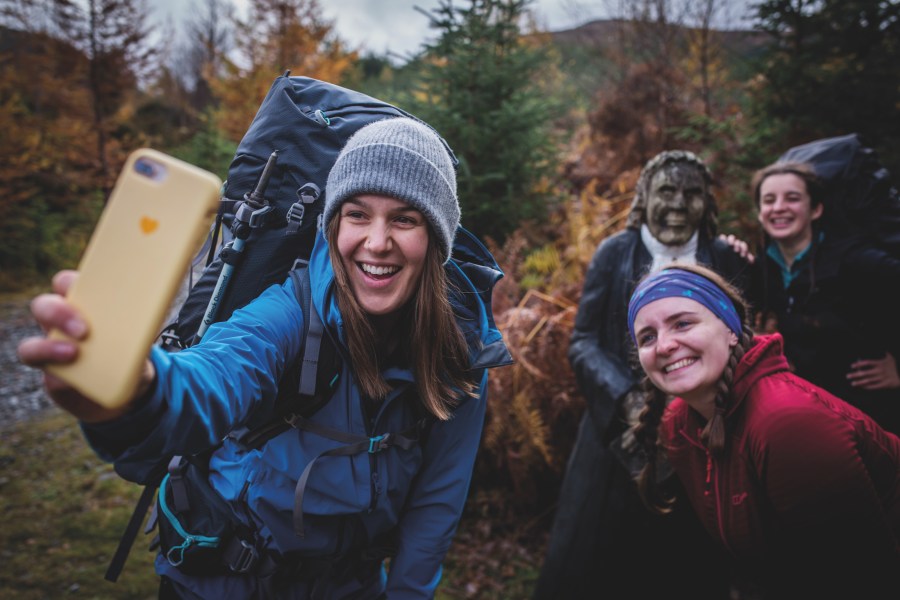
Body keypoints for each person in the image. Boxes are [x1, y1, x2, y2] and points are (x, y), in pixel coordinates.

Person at [17, 117, 512, 599]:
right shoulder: (289, 313)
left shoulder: (458, 350)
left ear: (437, 239)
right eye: (357, 214)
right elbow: (215, 376)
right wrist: (139, 391)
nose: (376, 242)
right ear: (333, 224)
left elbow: (436, 503)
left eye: (404, 218)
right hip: (223, 582)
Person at [534, 150, 748, 599]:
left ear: (707, 203)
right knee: (594, 559)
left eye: (691, 194)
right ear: (644, 197)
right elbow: (584, 340)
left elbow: (747, 328)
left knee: (683, 563)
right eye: (666, 191)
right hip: (613, 437)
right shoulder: (614, 253)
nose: (677, 204)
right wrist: (626, 398)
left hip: (700, 438)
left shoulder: (725, 255)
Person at [628, 264, 900, 598]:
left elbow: (862, 578)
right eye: (648, 337)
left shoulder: (787, 423)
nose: (664, 345)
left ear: (731, 330)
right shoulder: (680, 424)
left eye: (683, 323)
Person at [747, 161, 900, 433]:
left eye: (792, 198)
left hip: (876, 417)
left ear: (816, 209)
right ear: (760, 213)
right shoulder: (760, 271)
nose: (779, 207)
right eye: (769, 200)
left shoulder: (857, 261)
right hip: (813, 416)